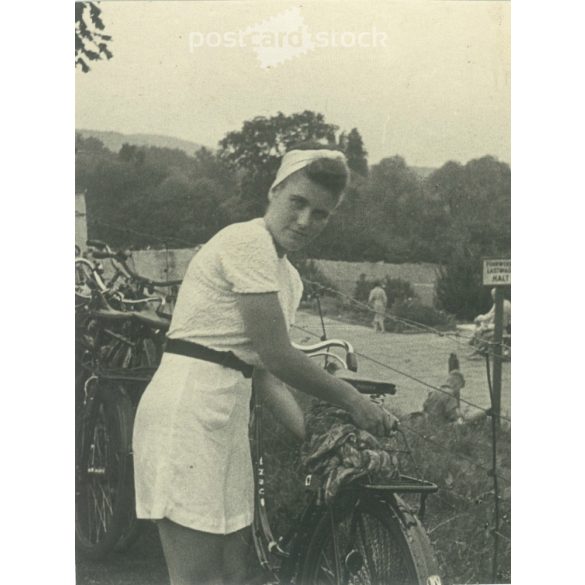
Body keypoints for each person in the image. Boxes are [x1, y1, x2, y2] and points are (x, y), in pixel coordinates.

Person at [132, 144, 398, 585]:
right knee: (198, 578)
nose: (305, 221)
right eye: (298, 203)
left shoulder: (287, 276)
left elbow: (266, 376)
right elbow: (277, 352)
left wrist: (315, 441)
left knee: (239, 574)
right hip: (187, 410)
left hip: (225, 419)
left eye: (321, 213)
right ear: (275, 190)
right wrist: (352, 400)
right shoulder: (246, 241)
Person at [469, 288, 511, 357]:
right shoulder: (507, 302)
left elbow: (489, 316)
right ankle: (478, 347)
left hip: (500, 327)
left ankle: (476, 349)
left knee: (482, 331)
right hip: (504, 326)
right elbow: (490, 315)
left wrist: (479, 318)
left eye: (494, 295)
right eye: (492, 296)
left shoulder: (500, 304)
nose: (493, 298)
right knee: (482, 329)